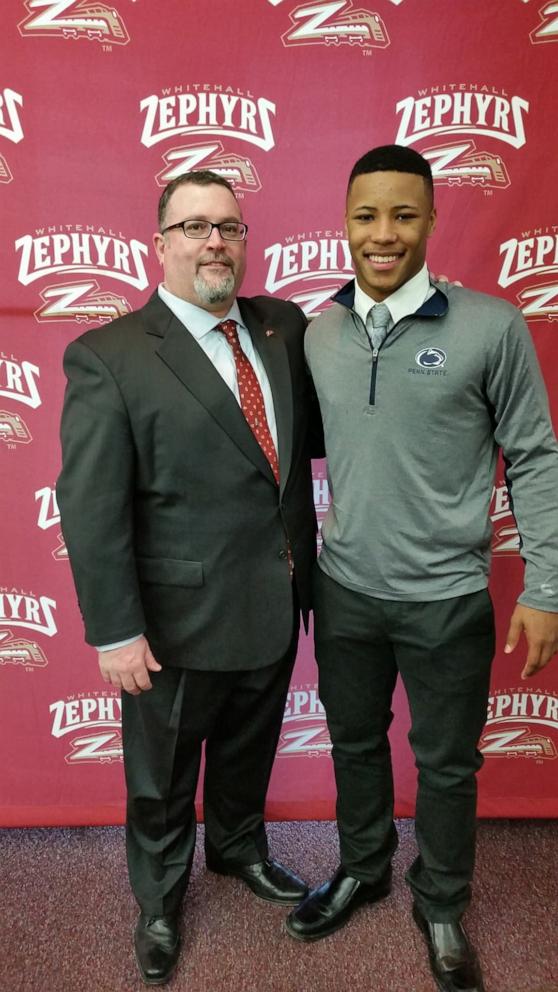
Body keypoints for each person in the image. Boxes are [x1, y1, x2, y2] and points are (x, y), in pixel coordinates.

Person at [285, 145, 558, 992]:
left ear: (433, 219)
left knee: (447, 764)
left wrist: (546, 587)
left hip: (447, 600)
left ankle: (440, 900)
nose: (383, 233)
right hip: (347, 592)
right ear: (345, 221)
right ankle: (365, 868)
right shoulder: (318, 330)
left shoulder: (491, 326)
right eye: (367, 215)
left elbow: (537, 459)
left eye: (404, 214)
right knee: (355, 741)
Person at [57, 170, 321, 986]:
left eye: (230, 227)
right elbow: (91, 504)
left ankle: (239, 849)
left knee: (249, 750)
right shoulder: (109, 356)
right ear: (161, 243)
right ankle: (160, 901)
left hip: (274, 601)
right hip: (171, 623)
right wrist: (114, 628)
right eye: (195, 226)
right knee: (164, 780)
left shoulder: (281, 325)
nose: (215, 241)